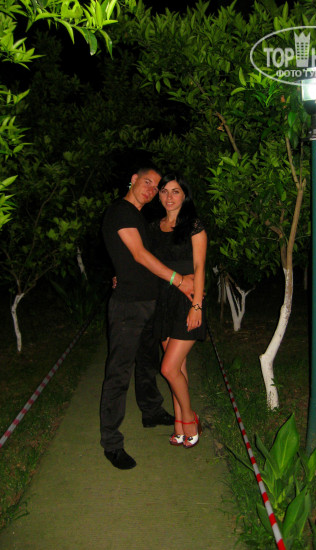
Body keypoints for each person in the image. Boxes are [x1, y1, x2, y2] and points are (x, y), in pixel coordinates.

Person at [100, 166, 195, 470]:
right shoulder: (121, 211)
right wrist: (179, 280)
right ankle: (112, 442)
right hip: (128, 306)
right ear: (133, 180)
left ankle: (151, 410)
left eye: (157, 187)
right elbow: (140, 254)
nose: (152, 189)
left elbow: (145, 257)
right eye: (147, 182)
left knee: (147, 363)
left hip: (150, 302)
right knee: (119, 373)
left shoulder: (140, 218)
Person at [151, 174, 207, 448]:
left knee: (168, 368)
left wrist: (197, 305)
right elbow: (145, 261)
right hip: (163, 301)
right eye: (164, 191)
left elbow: (199, 267)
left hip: (187, 300)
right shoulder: (154, 227)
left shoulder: (193, 225)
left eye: (175, 191)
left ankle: (189, 418)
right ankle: (179, 426)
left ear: (185, 195)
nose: (169, 197)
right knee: (178, 369)